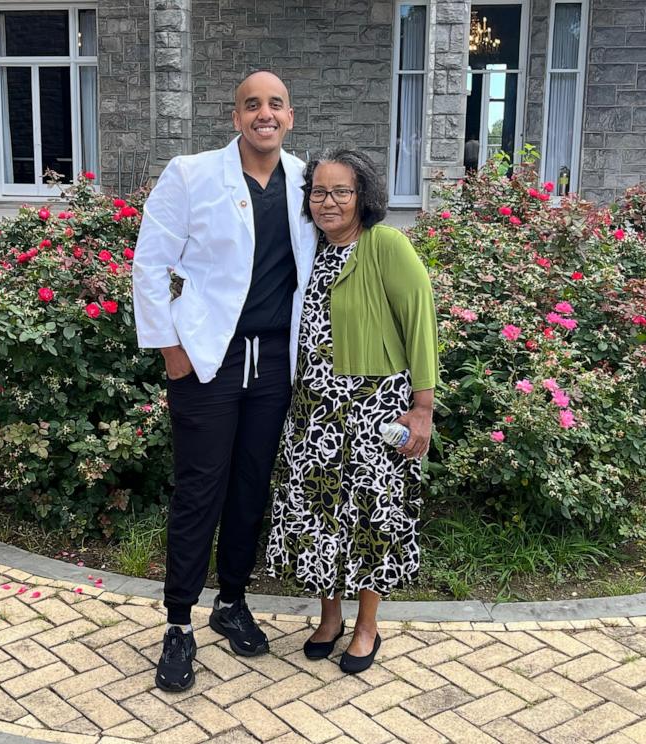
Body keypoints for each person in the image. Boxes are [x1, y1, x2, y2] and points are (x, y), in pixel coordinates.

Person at [132, 71, 317, 692]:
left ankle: (231, 602)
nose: (264, 114)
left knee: (249, 486)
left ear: (290, 116)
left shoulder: (304, 181)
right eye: (251, 104)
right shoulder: (191, 174)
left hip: (274, 362)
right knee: (199, 490)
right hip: (208, 359)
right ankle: (179, 624)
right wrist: (171, 351)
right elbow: (150, 263)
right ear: (234, 116)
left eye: (275, 104)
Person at [265, 148, 438, 674]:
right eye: (318, 191)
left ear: (363, 197)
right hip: (315, 412)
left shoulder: (384, 244)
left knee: (369, 518)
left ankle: (367, 627)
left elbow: (420, 323)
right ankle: (329, 616)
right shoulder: (309, 248)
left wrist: (423, 409)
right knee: (318, 516)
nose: (328, 202)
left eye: (341, 191)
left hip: (373, 409)